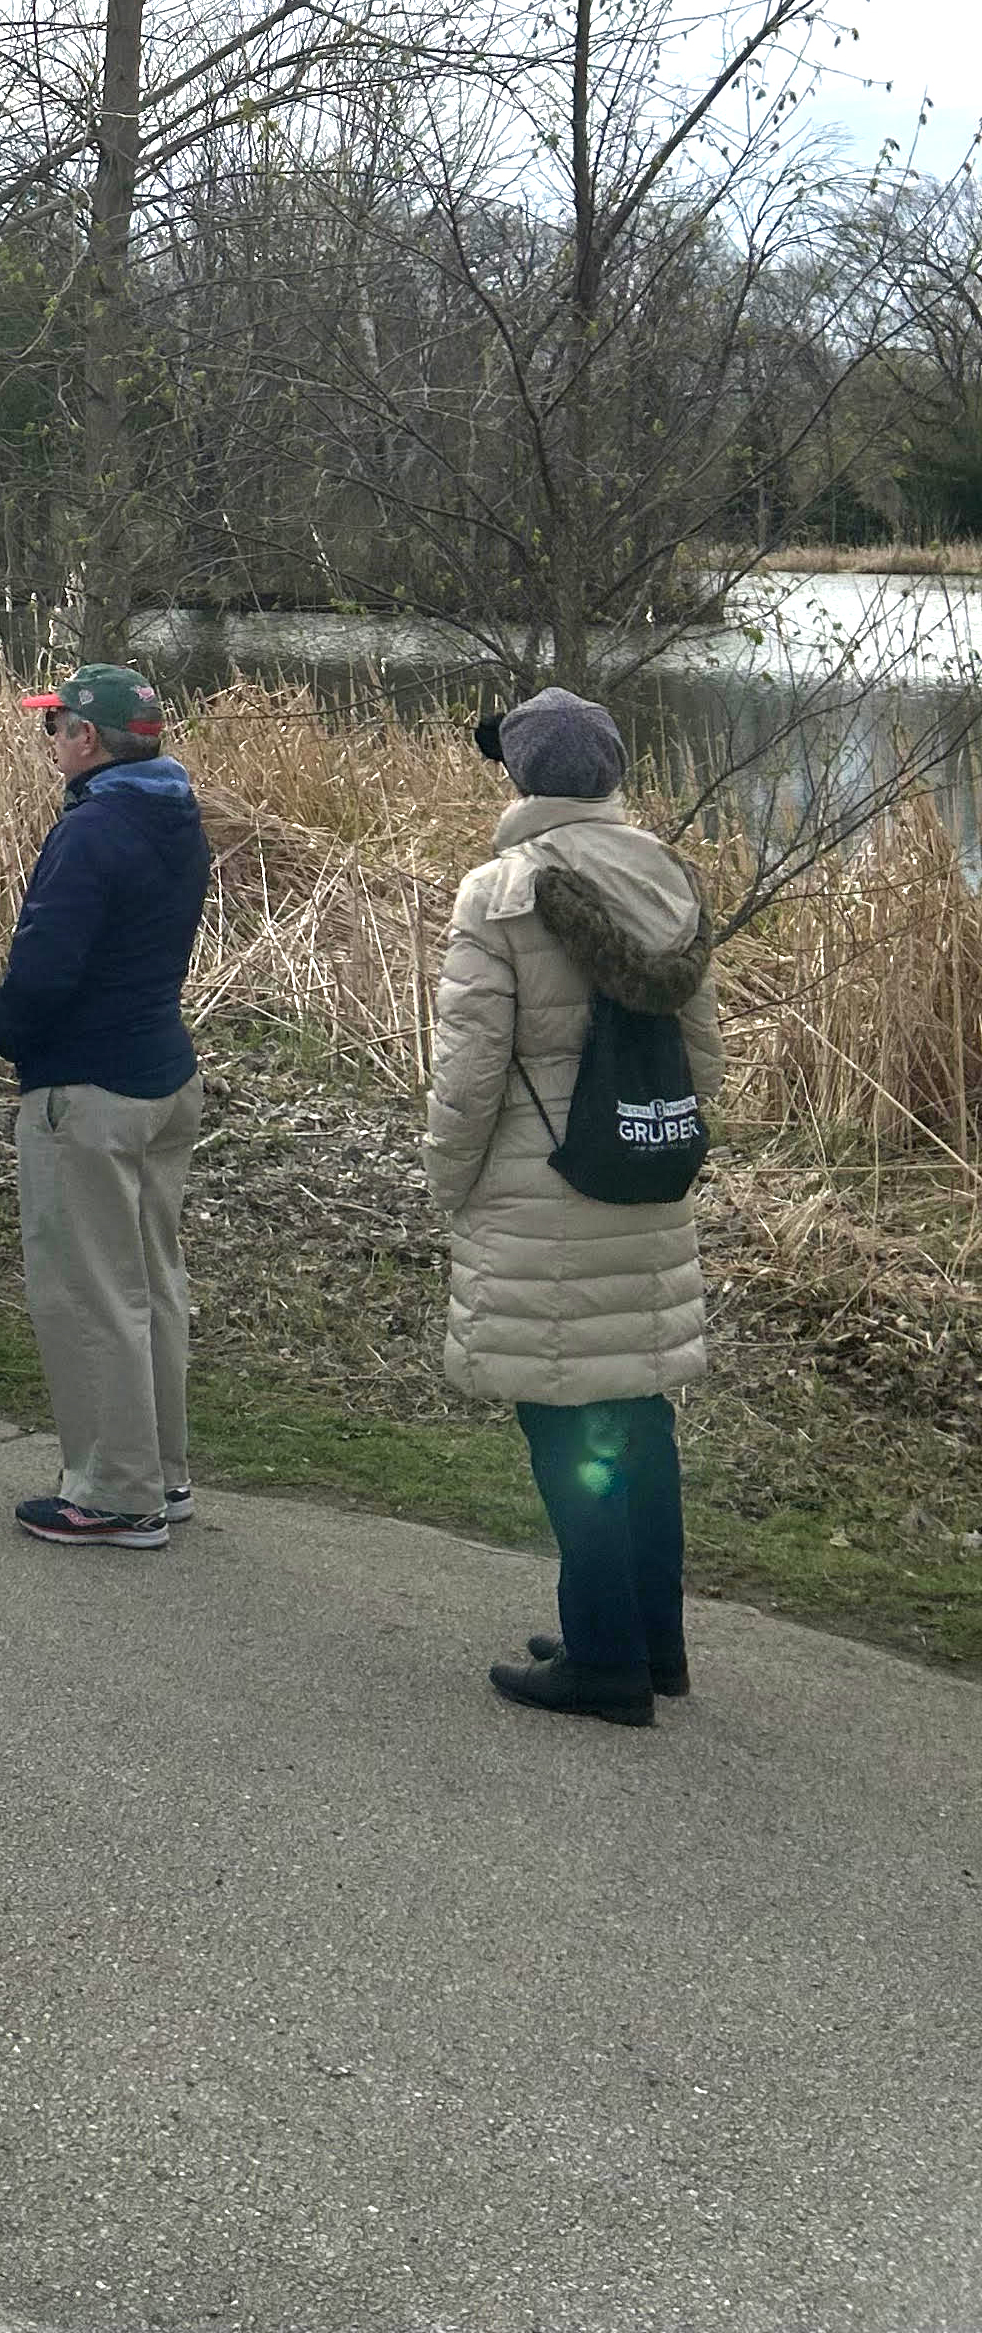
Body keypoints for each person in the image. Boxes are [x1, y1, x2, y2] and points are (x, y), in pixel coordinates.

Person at [425, 689, 722, 1728]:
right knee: (637, 1412)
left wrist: (446, 1181)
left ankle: (604, 1663)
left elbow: (469, 1075)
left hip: (540, 1187)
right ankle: (652, 1639)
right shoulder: (670, 882)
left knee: (565, 1421)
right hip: (646, 1172)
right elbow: (707, 1062)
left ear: (525, 780)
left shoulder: (502, 891)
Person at [0, 661, 211, 1551]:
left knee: (88, 1293)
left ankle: (117, 1492)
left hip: (88, 1086)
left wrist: (9, 1028)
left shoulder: (92, 832)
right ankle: (163, 1470)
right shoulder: (175, 815)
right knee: (151, 1284)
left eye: (58, 727)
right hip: (161, 1071)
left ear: (87, 738)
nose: (50, 742)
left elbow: (45, 966)